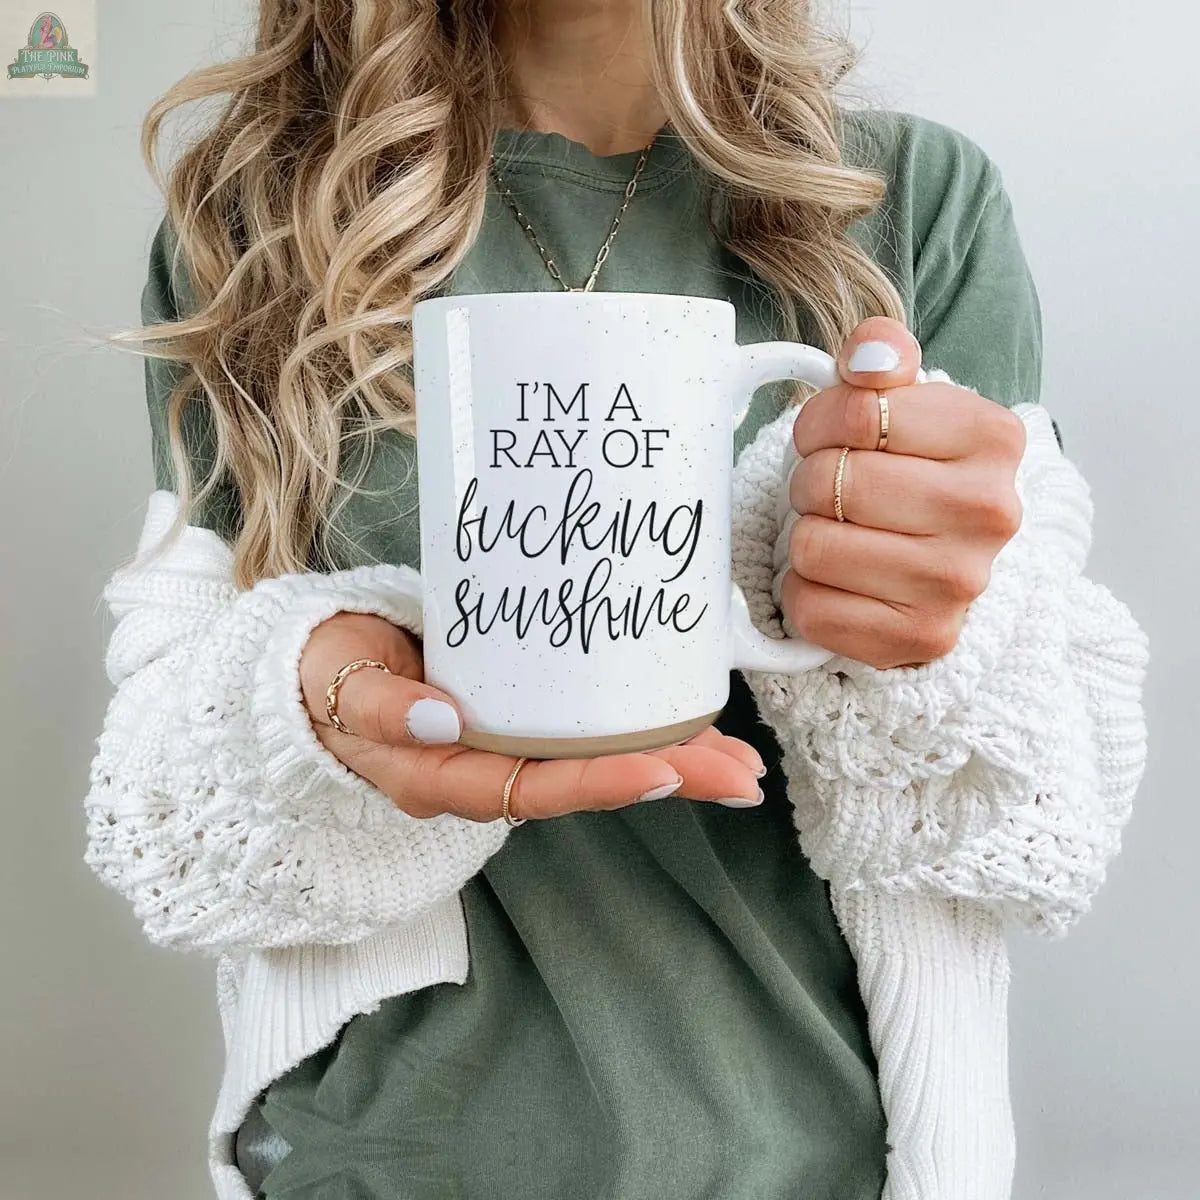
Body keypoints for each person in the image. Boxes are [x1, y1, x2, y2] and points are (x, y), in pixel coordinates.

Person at [85, 2, 1149, 1199]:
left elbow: (1040, 810)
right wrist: (300, 706)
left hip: (826, 1146)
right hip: (373, 1153)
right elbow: (158, 783)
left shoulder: (907, 200)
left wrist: (929, 637)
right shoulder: (259, 218)